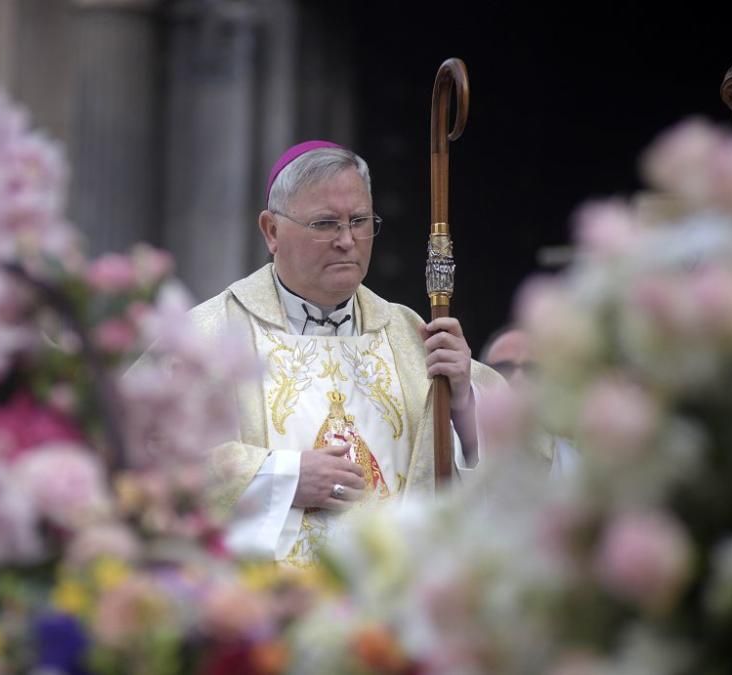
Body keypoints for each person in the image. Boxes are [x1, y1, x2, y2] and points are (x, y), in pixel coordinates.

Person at [190, 140, 504, 565]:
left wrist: (464, 401)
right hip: (263, 612)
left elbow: (528, 463)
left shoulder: (413, 337)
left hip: (390, 609)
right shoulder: (209, 335)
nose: (346, 240)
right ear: (271, 231)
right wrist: (283, 478)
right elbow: (150, 455)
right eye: (324, 224)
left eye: (359, 221)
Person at [481, 325, 579, 478]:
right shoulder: (461, 454)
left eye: (532, 369)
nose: (518, 379)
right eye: (503, 368)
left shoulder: (577, 467)